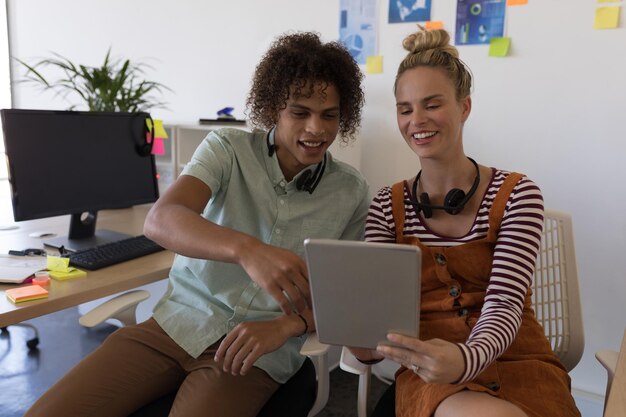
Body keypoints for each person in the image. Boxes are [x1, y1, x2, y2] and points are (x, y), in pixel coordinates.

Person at [25, 31, 370, 417]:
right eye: (300, 112)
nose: (316, 130)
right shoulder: (227, 149)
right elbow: (162, 219)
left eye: (329, 115)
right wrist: (247, 250)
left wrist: (289, 327)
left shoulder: (351, 191)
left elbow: (342, 296)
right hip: (176, 324)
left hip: (254, 352)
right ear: (275, 107)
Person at [348, 27, 581, 417]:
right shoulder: (387, 206)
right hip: (430, 370)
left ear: (464, 107)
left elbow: (505, 302)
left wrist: (466, 357)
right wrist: (366, 340)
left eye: (432, 104)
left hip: (518, 358)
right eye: (405, 109)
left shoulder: (518, 193)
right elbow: (379, 313)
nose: (416, 120)